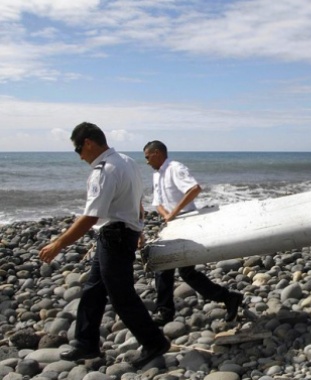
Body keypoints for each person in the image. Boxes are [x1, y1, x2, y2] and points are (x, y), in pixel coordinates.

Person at [39, 122, 170, 368]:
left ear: (88, 143)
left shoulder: (105, 169)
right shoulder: (127, 162)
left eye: (78, 149)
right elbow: (136, 199)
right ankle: (85, 342)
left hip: (115, 237)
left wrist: (58, 243)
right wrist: (137, 227)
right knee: (93, 290)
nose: (79, 157)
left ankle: (154, 342)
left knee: (121, 296)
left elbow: (90, 217)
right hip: (118, 234)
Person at [143, 140, 243, 325]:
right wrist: (167, 215)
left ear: (157, 153)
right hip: (173, 225)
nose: (147, 162)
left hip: (187, 222)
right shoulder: (157, 175)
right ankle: (228, 298)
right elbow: (157, 202)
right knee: (174, 269)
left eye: (148, 157)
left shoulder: (175, 168)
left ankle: (165, 312)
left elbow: (194, 189)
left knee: (176, 269)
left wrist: (174, 213)